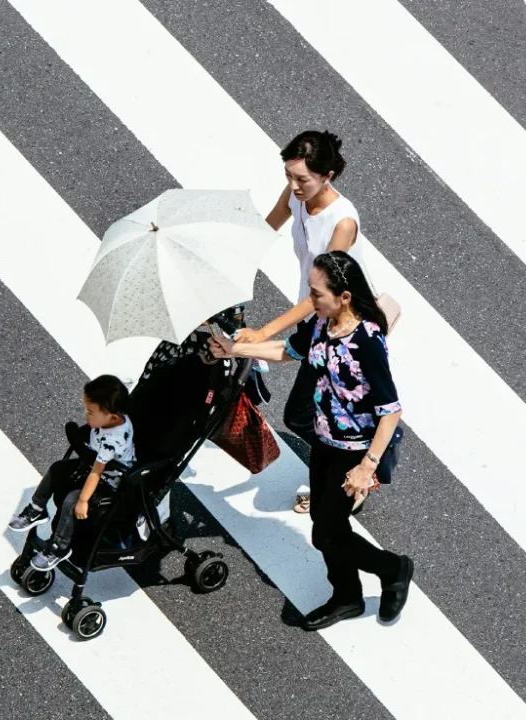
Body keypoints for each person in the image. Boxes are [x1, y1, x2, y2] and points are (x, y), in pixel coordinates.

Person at [210, 251, 414, 629]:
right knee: (327, 524)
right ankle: (347, 596)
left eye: (317, 293)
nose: (311, 299)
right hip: (324, 441)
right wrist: (235, 349)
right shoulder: (323, 323)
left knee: (326, 533)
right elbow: (288, 351)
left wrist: (365, 468)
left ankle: (393, 568)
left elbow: (391, 410)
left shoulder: (366, 339)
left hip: (354, 452)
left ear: (345, 297)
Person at [234, 130, 368, 514]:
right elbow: (264, 230)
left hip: (343, 328)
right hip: (318, 318)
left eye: (302, 179)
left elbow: (319, 295)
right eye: (289, 175)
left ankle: (355, 473)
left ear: (328, 175)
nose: (293, 186)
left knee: (300, 414)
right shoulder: (296, 197)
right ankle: (348, 462)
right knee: (320, 409)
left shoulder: (342, 222)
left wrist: (262, 332)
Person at [8, 375, 136, 572]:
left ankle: (60, 546)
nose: (86, 415)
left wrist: (84, 500)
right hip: (92, 462)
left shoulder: (113, 441)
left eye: (90, 412)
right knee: (57, 468)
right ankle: (37, 508)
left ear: (112, 417)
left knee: (72, 501)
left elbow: (96, 472)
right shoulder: (109, 418)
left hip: (108, 481)